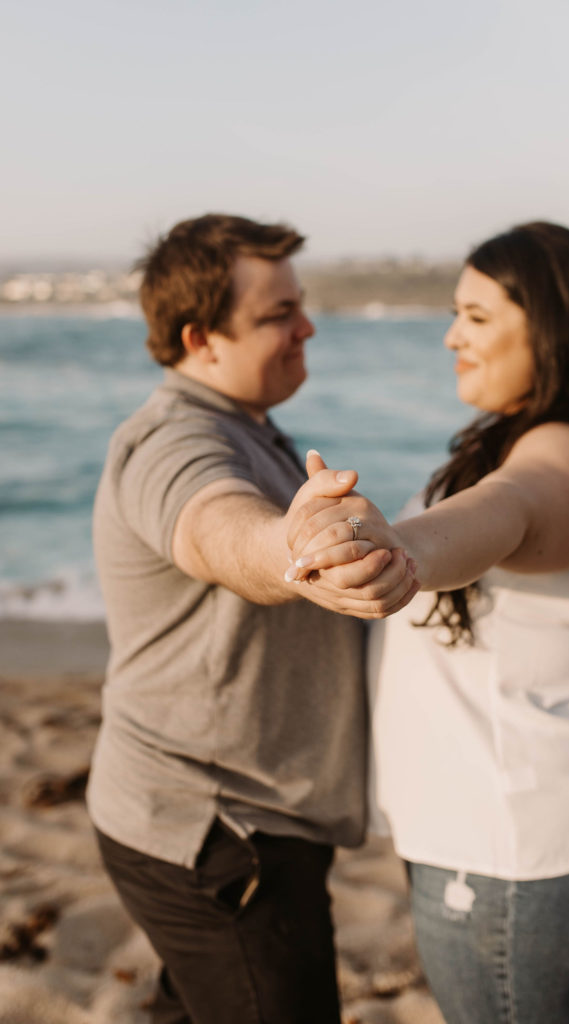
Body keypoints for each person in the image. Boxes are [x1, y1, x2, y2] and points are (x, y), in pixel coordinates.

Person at [285, 221, 569, 1024]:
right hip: (502, 840)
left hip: (515, 855)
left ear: (552, 325)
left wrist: (390, 547)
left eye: (478, 317)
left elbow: (503, 516)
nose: (452, 336)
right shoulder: (535, 440)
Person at [87, 212, 417, 1024]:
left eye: (300, 305)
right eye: (277, 315)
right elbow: (213, 526)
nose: (307, 327)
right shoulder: (170, 441)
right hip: (216, 833)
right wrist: (291, 547)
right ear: (200, 338)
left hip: (225, 820)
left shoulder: (244, 424)